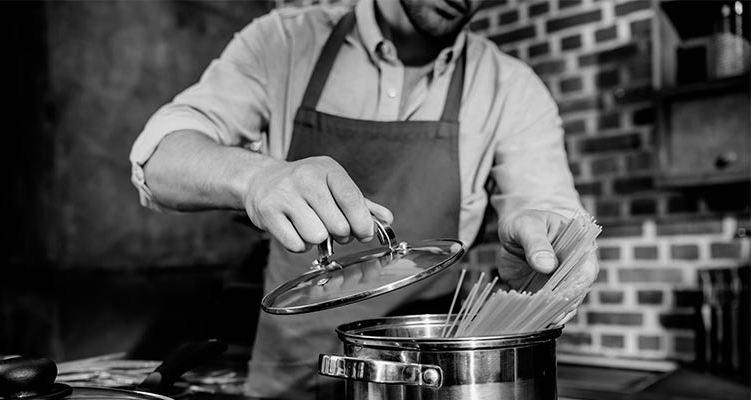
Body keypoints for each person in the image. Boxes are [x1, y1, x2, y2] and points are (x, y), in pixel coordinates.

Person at [130, 0, 599, 398]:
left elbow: (551, 209)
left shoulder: (511, 87)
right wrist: (257, 178)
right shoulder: (285, 42)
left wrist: (550, 253)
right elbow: (160, 161)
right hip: (290, 375)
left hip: (425, 381)